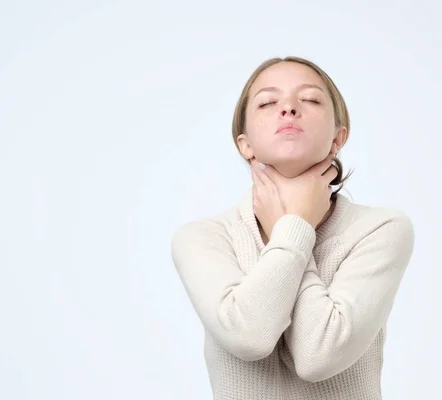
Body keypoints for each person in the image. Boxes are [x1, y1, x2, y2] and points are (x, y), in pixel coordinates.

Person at [170, 56, 415, 400]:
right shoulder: (204, 238)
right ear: (245, 144)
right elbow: (249, 336)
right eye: (268, 102)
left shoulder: (380, 229)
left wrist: (290, 227)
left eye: (311, 99)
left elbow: (318, 356)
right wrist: (297, 227)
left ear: (337, 138)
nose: (288, 108)